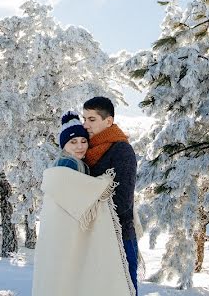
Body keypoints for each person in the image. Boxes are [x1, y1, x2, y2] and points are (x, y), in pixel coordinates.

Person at [32, 110, 135, 296]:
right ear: (64, 145)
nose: (80, 146)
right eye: (73, 142)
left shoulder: (81, 163)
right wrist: (104, 182)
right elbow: (75, 200)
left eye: (83, 141)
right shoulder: (68, 165)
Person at [82, 96, 139, 295]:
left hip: (119, 237)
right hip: (93, 236)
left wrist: (86, 208)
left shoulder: (122, 150)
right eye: (84, 119)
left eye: (91, 119)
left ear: (108, 121)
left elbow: (123, 200)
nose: (85, 124)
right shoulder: (84, 150)